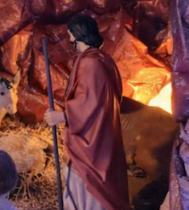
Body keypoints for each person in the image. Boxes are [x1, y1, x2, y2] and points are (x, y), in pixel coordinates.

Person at [44, 15, 130, 210]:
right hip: (97, 134)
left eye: (70, 35)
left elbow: (91, 103)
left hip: (91, 142)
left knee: (86, 187)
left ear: (77, 35)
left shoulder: (91, 64)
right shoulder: (102, 60)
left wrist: (64, 116)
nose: (70, 40)